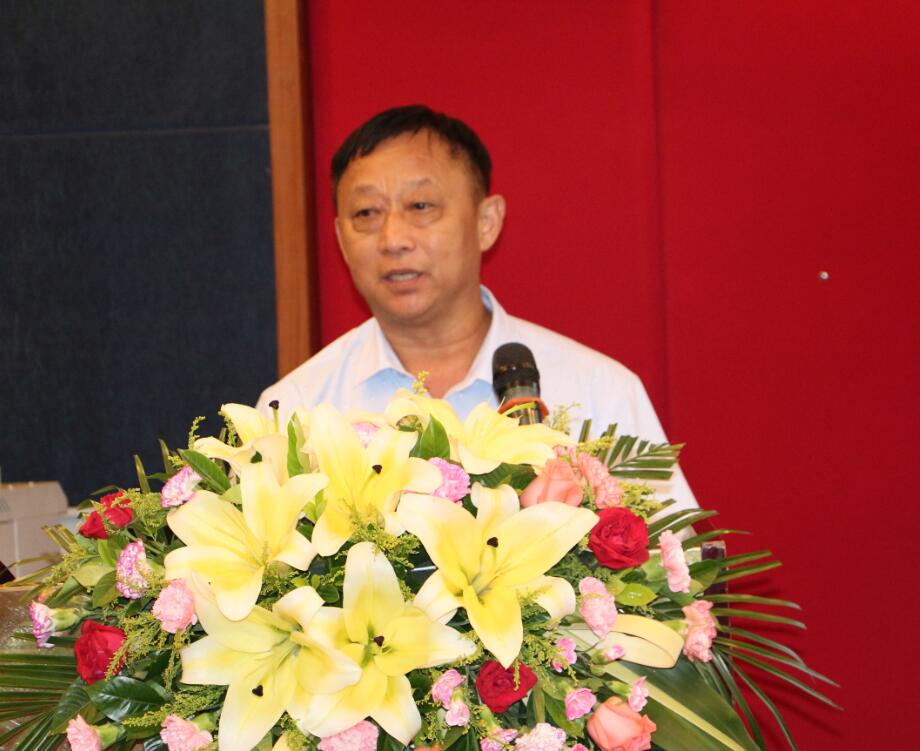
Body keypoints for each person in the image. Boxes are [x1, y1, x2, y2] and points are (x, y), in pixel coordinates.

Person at [257, 105, 696, 510]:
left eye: (420, 206)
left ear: (486, 223)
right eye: (367, 213)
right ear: (341, 239)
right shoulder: (294, 410)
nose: (392, 239)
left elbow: (677, 563)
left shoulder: (599, 394)